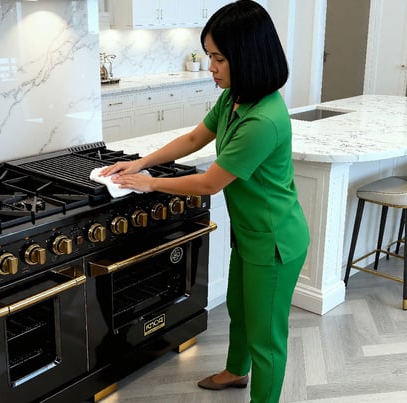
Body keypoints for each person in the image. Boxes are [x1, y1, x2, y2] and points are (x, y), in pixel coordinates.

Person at [99, 1, 309, 401]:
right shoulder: (236, 98)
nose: (209, 66)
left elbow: (210, 183)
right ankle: (235, 371)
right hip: (251, 234)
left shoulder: (263, 119)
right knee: (240, 310)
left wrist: (150, 184)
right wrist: (141, 161)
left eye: (218, 58)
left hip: (275, 242)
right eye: (210, 55)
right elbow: (195, 138)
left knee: (267, 337)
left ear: (246, 57)